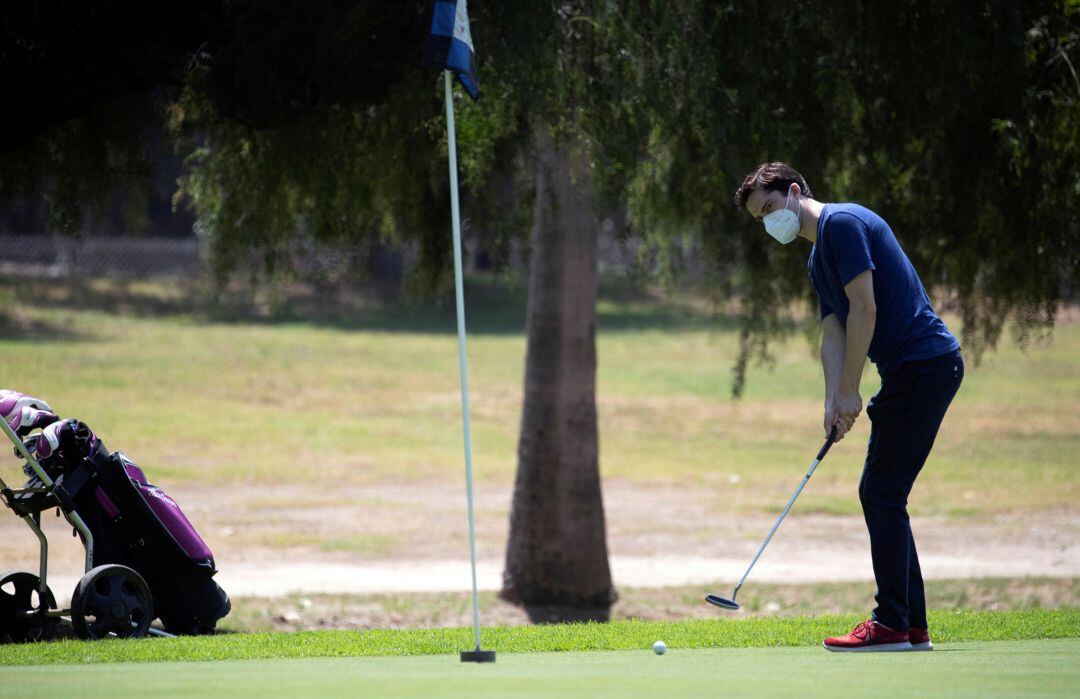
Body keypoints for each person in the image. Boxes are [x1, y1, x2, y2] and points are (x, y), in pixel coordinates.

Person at [734, 162, 963, 652]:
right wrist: (832, 398)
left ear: (794, 192)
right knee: (885, 493)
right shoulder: (818, 261)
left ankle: (893, 621)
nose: (770, 222)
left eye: (771, 208)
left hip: (926, 364)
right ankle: (910, 625)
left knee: (880, 491)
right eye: (761, 219)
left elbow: (866, 307)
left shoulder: (843, 224)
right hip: (911, 371)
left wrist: (852, 390)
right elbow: (834, 330)